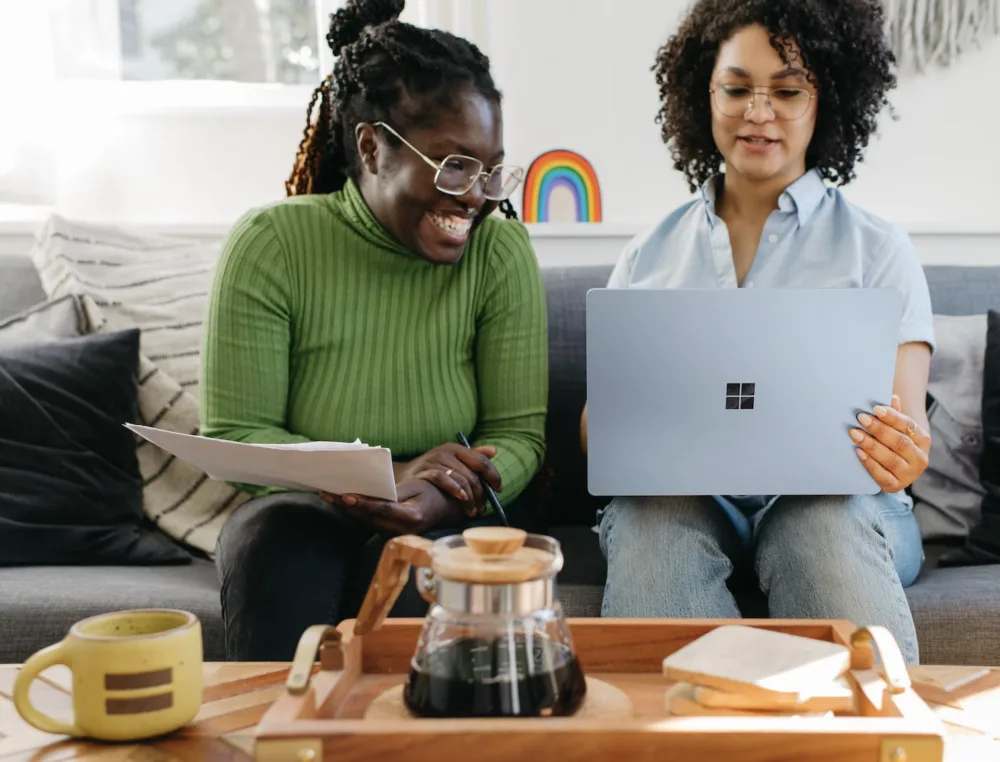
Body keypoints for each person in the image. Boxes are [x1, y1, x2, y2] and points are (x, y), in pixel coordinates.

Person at [581, 0, 934, 663]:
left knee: (819, 519)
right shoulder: (648, 253)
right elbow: (597, 430)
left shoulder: (879, 249)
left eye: (788, 90)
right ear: (703, 94)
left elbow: (906, 425)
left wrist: (903, 452)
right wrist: (621, 435)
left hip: (839, 506)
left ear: (824, 99)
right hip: (682, 503)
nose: (759, 112)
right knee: (648, 521)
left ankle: (870, 741)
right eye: (737, 88)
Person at [200, 0, 548, 661]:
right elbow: (236, 435)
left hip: (452, 509)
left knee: (425, 572)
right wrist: (388, 474)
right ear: (371, 146)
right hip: (304, 506)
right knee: (271, 542)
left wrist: (442, 496)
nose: (476, 195)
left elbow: (519, 436)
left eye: (491, 168)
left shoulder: (499, 253)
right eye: (453, 164)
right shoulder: (271, 244)